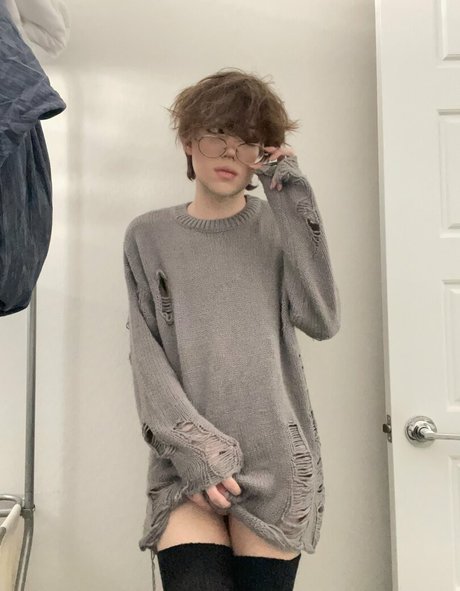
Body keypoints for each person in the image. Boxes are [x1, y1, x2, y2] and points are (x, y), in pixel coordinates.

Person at [123, 67, 341, 591]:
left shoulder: (277, 226)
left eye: (247, 141)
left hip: (276, 462)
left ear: (264, 152)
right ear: (188, 141)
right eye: (216, 135)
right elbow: (147, 358)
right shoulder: (148, 236)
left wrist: (292, 194)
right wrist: (198, 455)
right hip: (185, 463)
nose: (229, 153)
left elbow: (321, 319)